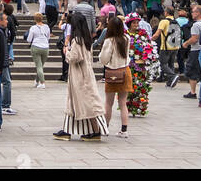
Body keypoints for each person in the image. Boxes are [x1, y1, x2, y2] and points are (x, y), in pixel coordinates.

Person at [53, 11, 108, 141]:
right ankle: (69, 129)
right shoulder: (86, 38)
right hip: (85, 73)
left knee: (86, 102)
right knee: (78, 102)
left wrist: (66, 51)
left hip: (80, 75)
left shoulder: (77, 40)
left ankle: (96, 130)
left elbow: (75, 57)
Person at [99, 15, 131, 137]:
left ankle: (105, 127)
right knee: (123, 102)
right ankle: (124, 130)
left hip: (113, 72)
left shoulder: (109, 41)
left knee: (109, 102)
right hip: (125, 70)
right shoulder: (126, 38)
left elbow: (103, 59)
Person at [155, 7, 181, 87]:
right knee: (171, 64)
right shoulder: (176, 21)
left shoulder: (164, 21)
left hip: (166, 46)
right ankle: (170, 81)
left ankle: (173, 76)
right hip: (175, 46)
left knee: (162, 64)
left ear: (166, 12)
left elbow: (157, 33)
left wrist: (150, 39)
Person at [26, 12, 51, 87]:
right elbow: (48, 37)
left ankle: (42, 83)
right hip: (45, 47)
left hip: (36, 46)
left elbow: (29, 40)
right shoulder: (46, 27)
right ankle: (36, 81)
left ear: (35, 19)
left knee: (39, 66)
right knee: (40, 66)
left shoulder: (33, 28)